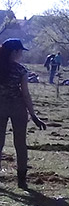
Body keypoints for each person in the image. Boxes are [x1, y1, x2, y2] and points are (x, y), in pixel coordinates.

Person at [0, 39, 46, 189]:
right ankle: (21, 180)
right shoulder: (21, 70)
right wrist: (33, 115)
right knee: (20, 144)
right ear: (14, 52)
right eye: (20, 51)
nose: (21, 54)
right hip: (18, 108)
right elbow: (25, 94)